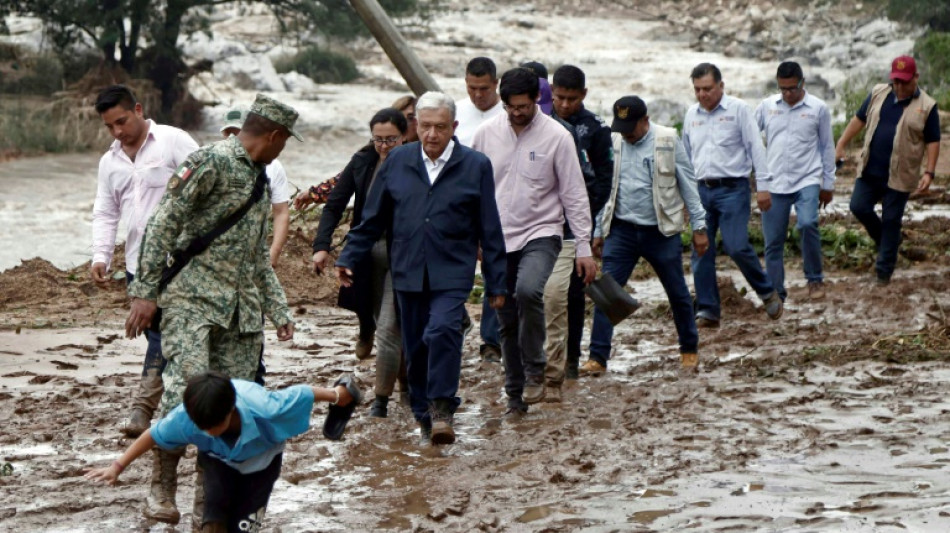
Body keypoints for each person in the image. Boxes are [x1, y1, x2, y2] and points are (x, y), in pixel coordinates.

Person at [125, 93, 300, 524]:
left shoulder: (261, 179)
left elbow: (258, 255)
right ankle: (161, 490)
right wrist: (145, 292)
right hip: (192, 306)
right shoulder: (210, 162)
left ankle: (212, 499)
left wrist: (278, 310)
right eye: (285, 141)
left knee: (231, 406)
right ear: (274, 136)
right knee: (185, 396)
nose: (283, 148)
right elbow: (163, 222)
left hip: (241, 316)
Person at [335, 91, 507, 445]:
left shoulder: (475, 165)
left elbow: (490, 228)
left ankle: (443, 407)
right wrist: (349, 256)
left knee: (442, 329)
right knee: (414, 347)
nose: (431, 134)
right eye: (425, 126)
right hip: (408, 270)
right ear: (417, 125)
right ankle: (424, 415)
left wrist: (497, 283)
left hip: (452, 270)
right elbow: (372, 218)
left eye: (440, 127)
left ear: (454, 127)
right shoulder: (398, 160)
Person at [85, 371, 361, 532]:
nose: (205, 432)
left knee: (245, 526)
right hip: (217, 460)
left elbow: (302, 393)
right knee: (213, 521)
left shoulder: (266, 407)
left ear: (230, 411)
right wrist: (117, 467)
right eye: (200, 427)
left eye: (213, 426)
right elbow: (152, 435)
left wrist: (338, 394)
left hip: (262, 463)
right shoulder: (185, 418)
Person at [471, 68, 596, 416]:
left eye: (524, 106)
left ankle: (536, 369)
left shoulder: (557, 137)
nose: (517, 113)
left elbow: (573, 193)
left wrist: (584, 247)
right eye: (511, 107)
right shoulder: (485, 135)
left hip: (542, 232)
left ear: (536, 100)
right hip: (497, 237)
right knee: (505, 318)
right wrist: (473, 236)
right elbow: (472, 190)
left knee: (528, 291)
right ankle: (515, 396)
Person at [91, 85, 199, 438]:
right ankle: (176, 404)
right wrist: (101, 255)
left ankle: (143, 408)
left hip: (183, 259)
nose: (118, 132)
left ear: (138, 109)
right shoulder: (110, 161)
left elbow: (208, 183)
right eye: (110, 127)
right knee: (160, 333)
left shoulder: (173, 142)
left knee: (170, 331)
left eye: (121, 121)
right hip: (139, 262)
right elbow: (106, 211)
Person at [579, 96, 708, 375]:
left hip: (660, 232)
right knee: (608, 293)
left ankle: (689, 349)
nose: (626, 133)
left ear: (645, 120)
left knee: (678, 294)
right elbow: (607, 191)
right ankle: (598, 357)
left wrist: (699, 228)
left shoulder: (668, 140)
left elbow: (689, 185)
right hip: (622, 230)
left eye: (631, 127)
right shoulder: (614, 143)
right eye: (621, 127)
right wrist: (599, 231)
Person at [311, 108, 408, 417]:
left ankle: (382, 400)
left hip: (405, 253)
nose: (383, 146)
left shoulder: (417, 163)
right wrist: (322, 246)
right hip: (367, 251)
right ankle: (403, 383)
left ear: (404, 136)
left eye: (390, 140)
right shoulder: (362, 160)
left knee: (390, 328)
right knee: (383, 321)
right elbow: (335, 204)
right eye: (377, 139)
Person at [683, 62, 784, 328]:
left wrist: (764, 187)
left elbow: (756, 148)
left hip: (733, 189)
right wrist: (684, 196)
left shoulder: (738, 110)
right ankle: (708, 309)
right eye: (697, 89)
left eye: (707, 88)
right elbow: (685, 156)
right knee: (701, 248)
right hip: (701, 190)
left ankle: (766, 291)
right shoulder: (691, 114)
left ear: (720, 86)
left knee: (736, 244)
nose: (702, 94)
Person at [835, 55, 940, 285]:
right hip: (871, 169)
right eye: (896, 81)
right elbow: (858, 119)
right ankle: (887, 243)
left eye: (904, 81)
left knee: (892, 219)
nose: (900, 87)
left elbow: (933, 141)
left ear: (916, 78)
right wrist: (841, 143)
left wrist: (929, 172)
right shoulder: (878, 93)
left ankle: (884, 273)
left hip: (901, 174)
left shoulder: (927, 106)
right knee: (858, 206)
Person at [543, 65, 613, 390]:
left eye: (572, 99)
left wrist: (581, 219)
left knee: (572, 293)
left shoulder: (595, 129)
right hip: (539, 222)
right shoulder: (540, 123)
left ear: (583, 95)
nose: (565, 104)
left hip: (574, 228)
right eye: (560, 98)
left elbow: (602, 179)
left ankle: (570, 360)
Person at [220, 105, 291, 386]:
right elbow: (167, 224)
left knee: (249, 370)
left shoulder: (268, 171)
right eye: (231, 134)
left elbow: (279, 215)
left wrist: (272, 254)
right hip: (204, 293)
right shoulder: (209, 164)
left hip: (247, 283)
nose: (237, 141)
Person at [755, 61, 836, 301]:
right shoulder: (767, 107)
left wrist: (828, 184)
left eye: (792, 88)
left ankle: (814, 279)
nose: (788, 94)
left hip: (807, 178)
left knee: (808, 223)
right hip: (774, 181)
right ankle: (777, 292)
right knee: (773, 242)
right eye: (783, 89)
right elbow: (750, 136)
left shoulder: (818, 108)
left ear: (802, 83)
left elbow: (827, 146)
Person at [454, 57, 506, 363]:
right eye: (472, 88)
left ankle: (491, 340)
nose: (477, 95)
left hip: (497, 204)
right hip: (459, 205)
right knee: (450, 267)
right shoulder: (456, 112)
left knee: (493, 271)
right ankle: (458, 319)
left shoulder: (507, 114)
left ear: (495, 84)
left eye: (483, 88)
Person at [293, 95, 418, 210]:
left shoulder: (426, 154)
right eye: (401, 119)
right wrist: (314, 193)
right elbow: (345, 180)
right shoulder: (374, 151)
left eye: (411, 118)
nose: (406, 123)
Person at [220, 105, 290, 268]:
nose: (233, 138)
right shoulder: (212, 162)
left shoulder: (272, 166)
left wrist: (273, 253)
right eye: (228, 133)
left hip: (255, 255)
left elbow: (281, 212)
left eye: (237, 132)